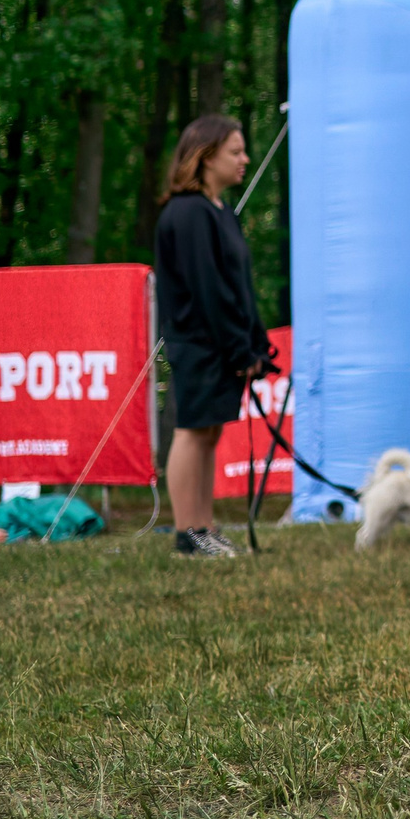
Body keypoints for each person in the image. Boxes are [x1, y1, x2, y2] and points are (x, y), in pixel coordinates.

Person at [154, 116, 268, 559]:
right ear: (205, 157)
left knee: (208, 433)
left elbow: (237, 286)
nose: (245, 159)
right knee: (192, 431)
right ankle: (188, 533)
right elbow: (208, 289)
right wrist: (238, 346)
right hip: (199, 343)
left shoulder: (219, 211)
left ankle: (205, 527)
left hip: (221, 344)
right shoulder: (188, 213)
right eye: (235, 152)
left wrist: (254, 344)